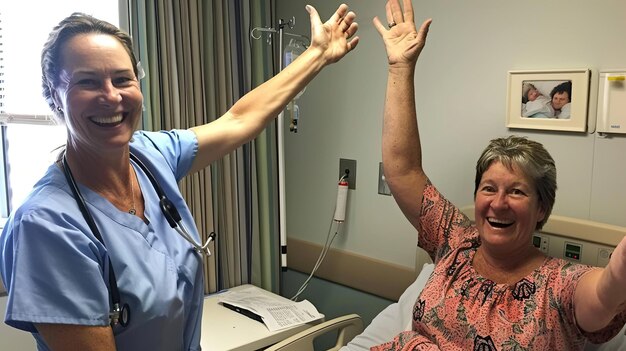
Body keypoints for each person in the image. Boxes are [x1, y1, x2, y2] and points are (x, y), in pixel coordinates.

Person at [0, 5, 359, 351]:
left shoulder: (149, 155)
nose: (111, 96)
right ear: (53, 96)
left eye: (122, 79)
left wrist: (317, 56)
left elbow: (238, 120)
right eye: (88, 82)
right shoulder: (45, 227)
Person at [372, 0, 626, 349]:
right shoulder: (454, 241)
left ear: (542, 207)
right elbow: (402, 169)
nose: (499, 204)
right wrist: (400, 67)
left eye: (518, 192)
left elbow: (601, 298)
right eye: (488, 188)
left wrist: (619, 269)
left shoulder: (559, 285)